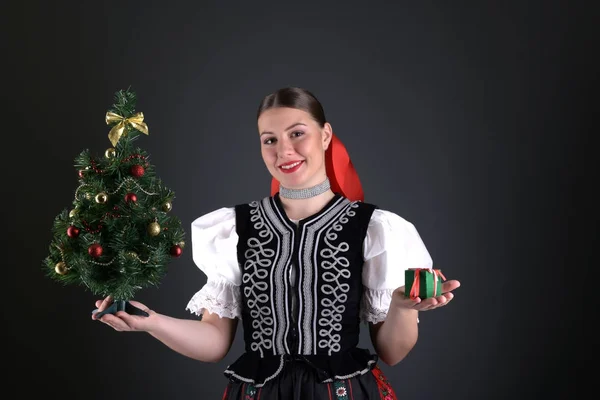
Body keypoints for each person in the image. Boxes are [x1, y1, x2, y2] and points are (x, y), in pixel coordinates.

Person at [92, 87, 461, 399]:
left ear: (326, 136)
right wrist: (152, 323)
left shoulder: (376, 228)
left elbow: (393, 353)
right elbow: (215, 343)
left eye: (297, 133)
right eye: (270, 140)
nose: (283, 150)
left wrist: (401, 307)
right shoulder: (233, 228)